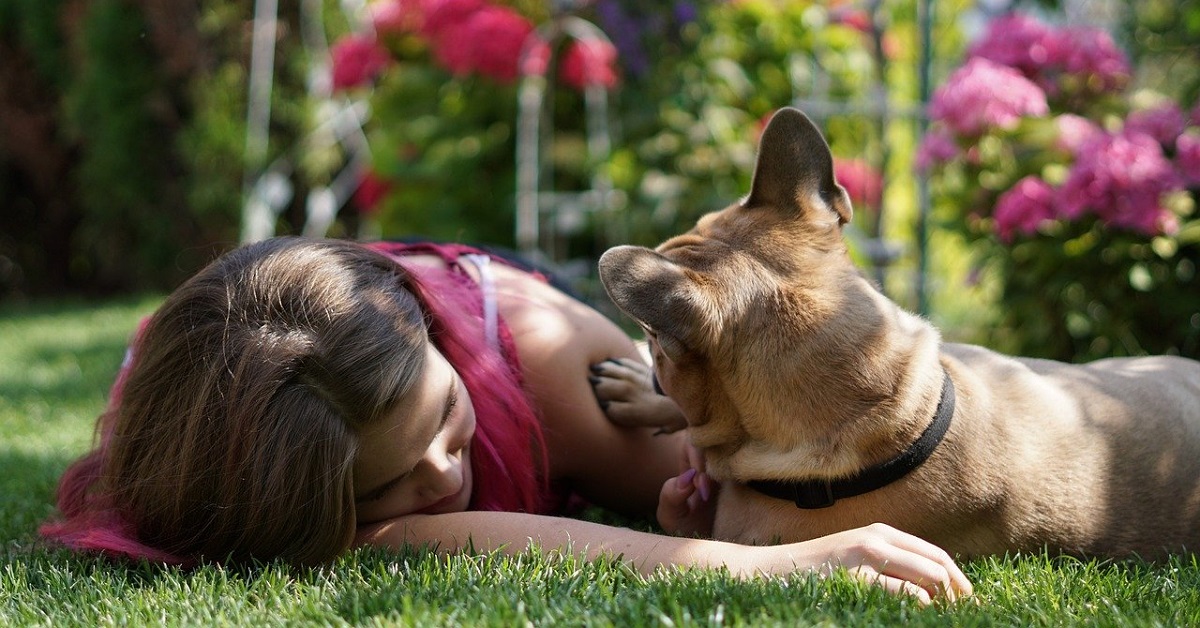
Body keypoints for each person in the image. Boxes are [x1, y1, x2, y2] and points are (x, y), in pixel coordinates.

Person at [41, 236, 970, 604]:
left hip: (508, 308)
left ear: (445, 349)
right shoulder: (225, 445)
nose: (444, 477)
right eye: (385, 485)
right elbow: (394, 543)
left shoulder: (552, 363)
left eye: (447, 421)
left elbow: (793, 481)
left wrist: (739, 530)